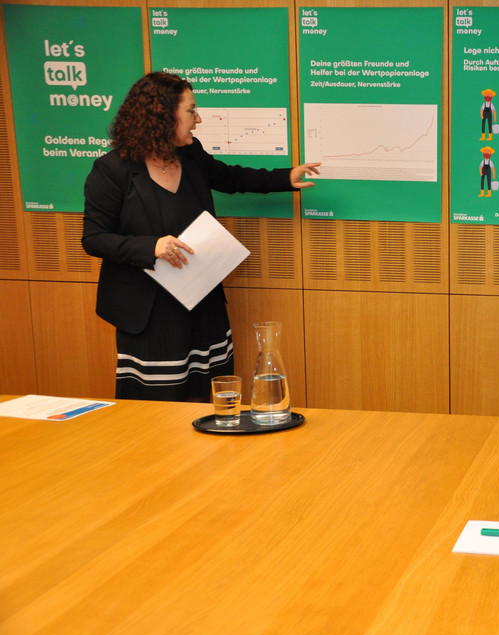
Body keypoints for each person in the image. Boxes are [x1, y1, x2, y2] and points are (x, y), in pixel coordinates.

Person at [82, 72, 321, 401]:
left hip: (202, 300)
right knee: (158, 406)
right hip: (150, 312)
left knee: (211, 398)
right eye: (191, 110)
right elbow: (94, 238)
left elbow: (230, 177)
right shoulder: (112, 170)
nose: (198, 119)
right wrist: (151, 247)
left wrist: (286, 177)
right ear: (163, 115)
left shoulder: (190, 154)